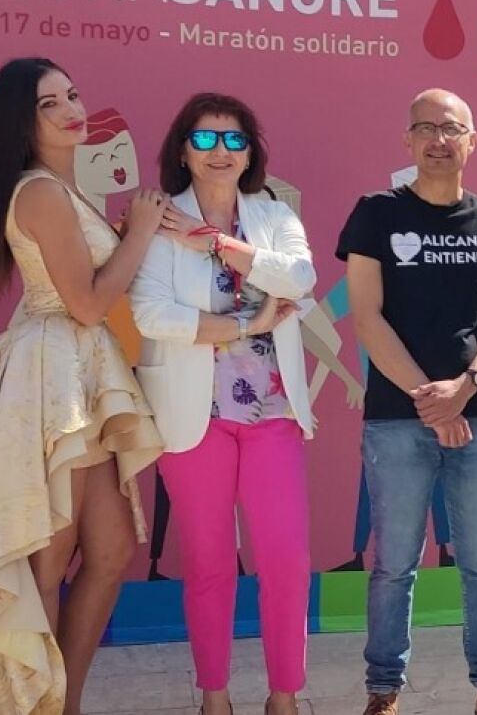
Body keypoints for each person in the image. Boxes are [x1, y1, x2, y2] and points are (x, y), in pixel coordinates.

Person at [0, 57, 164, 715]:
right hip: (52, 378)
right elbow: (87, 304)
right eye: (49, 103)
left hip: (78, 373)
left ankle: (60, 701)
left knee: (111, 550)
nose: (71, 109)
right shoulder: (40, 192)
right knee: (47, 559)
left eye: (72, 94)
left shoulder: (65, 189)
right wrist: (140, 234)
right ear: (23, 120)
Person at [337, 89, 477, 715]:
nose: (438, 140)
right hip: (399, 422)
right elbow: (367, 317)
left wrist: (464, 389)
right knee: (394, 564)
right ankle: (383, 691)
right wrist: (431, 401)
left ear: (472, 141)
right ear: (407, 140)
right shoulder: (376, 213)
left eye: (451, 129)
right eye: (425, 128)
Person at [130, 92, 317, 715]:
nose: (220, 151)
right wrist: (246, 324)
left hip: (273, 411)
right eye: (205, 138)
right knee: (209, 562)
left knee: (286, 559)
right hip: (194, 415)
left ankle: (283, 697)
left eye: (234, 139)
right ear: (183, 150)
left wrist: (215, 244)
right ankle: (215, 697)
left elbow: (300, 279)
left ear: (250, 153)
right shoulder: (160, 221)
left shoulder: (273, 214)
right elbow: (151, 314)